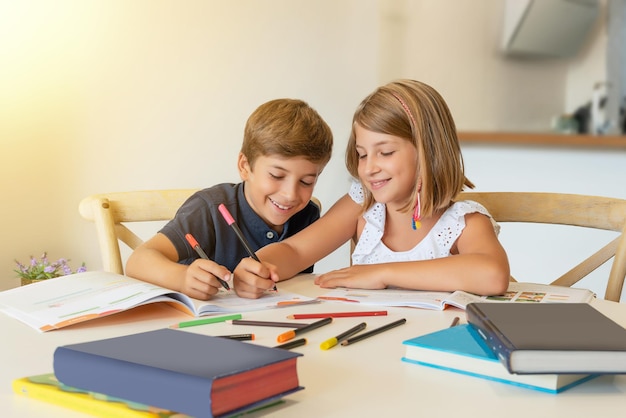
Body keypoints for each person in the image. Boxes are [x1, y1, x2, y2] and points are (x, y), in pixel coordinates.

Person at [233, 79, 510, 298]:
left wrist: (383, 273)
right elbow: (294, 251)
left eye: (385, 152)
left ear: (429, 151)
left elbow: (492, 275)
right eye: (362, 154)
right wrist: (260, 267)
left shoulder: (464, 221)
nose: (368, 168)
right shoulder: (363, 205)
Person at [125, 98, 333, 300]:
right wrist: (182, 278)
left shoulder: (308, 214)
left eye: (306, 182)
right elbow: (138, 261)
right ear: (244, 166)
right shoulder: (209, 209)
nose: (290, 194)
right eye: (276, 176)